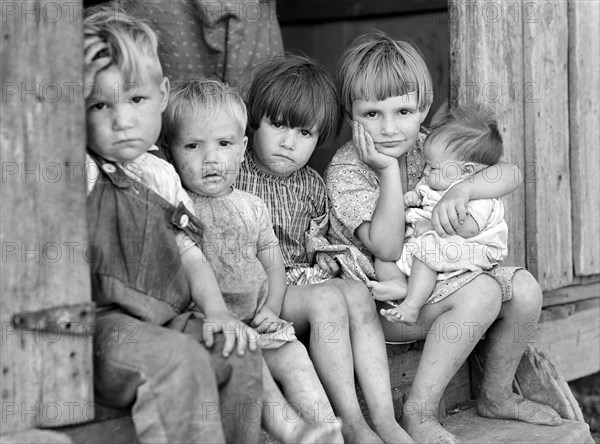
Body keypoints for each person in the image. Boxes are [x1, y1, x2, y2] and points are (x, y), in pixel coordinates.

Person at [83, 5, 336, 444]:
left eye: (136, 100)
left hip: (168, 316)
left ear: (161, 96)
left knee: (237, 349)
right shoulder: (83, 170)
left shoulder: (161, 175)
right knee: (183, 359)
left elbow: (188, 251)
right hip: (107, 325)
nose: (122, 120)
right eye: (101, 104)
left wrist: (218, 312)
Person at [324, 30, 562, 443]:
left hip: (445, 277)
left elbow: (510, 172)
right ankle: (418, 412)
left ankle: (497, 394)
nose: (390, 128)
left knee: (524, 289)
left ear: (424, 109)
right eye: (372, 114)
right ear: (350, 116)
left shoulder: (428, 145)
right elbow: (387, 246)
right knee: (484, 293)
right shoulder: (347, 170)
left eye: (402, 111)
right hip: (391, 304)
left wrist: (464, 189)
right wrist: (385, 172)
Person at [236, 53, 415, 444]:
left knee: (354, 293)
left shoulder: (313, 185)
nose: (288, 142)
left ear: (319, 138)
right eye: (278, 125)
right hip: (262, 292)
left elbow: (324, 246)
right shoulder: (235, 174)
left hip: (304, 281)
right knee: (327, 302)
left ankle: (384, 419)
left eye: (305, 134)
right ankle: (350, 421)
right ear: (255, 120)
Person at [160, 78, 342, 441]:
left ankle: (326, 436)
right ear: (169, 152)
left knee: (295, 358)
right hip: (210, 328)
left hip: (258, 321)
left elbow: (274, 264)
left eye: (224, 144)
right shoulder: (177, 207)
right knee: (249, 364)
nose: (211, 159)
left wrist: (272, 310)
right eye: (193, 146)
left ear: (242, 149)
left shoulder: (252, 206)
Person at [378, 103, 510, 325]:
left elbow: (468, 228)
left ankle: (411, 306)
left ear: (467, 171)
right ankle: (398, 282)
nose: (426, 171)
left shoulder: (479, 197)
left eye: (433, 168)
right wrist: (413, 198)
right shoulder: (439, 180)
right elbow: (423, 195)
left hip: (472, 248)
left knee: (428, 251)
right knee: (385, 256)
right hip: (439, 243)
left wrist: (429, 226)